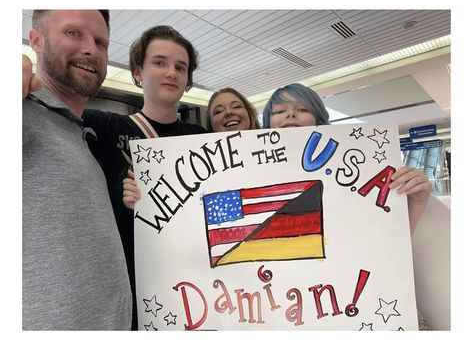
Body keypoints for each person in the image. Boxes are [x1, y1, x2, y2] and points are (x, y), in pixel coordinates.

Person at [23, 25, 207, 330]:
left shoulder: (201, 138)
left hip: (191, 280)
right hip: (127, 290)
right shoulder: (101, 126)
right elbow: (48, 115)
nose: (171, 73)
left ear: (188, 80)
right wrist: (26, 72)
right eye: (159, 63)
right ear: (137, 72)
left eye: (180, 67)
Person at [23, 10, 132, 330]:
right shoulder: (23, 115)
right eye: (73, 33)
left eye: (100, 42)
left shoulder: (80, 135)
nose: (91, 49)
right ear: (36, 41)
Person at [262, 82, 432, 232]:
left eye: (302, 109)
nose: (290, 114)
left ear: (318, 118)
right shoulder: (255, 171)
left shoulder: (355, 160)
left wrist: (417, 200)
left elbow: (387, 238)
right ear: (268, 122)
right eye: (279, 111)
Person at [122, 87, 260, 209]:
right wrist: (142, 201)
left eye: (236, 106)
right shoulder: (199, 167)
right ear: (211, 126)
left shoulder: (276, 152)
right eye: (218, 111)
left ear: (249, 113)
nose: (229, 112)